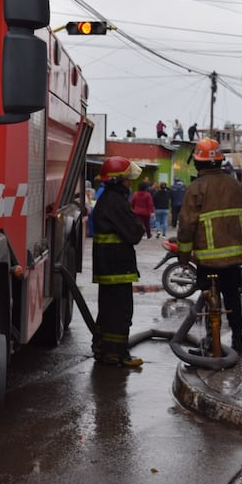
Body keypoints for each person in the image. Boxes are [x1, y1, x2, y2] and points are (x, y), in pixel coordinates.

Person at [176, 138, 242, 355]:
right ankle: (238, 344)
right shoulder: (236, 185)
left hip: (207, 261)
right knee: (232, 300)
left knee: (210, 302)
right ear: (220, 161)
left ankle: (212, 344)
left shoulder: (195, 189)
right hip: (234, 259)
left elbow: (186, 226)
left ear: (198, 163)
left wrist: (183, 257)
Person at [90, 156, 145, 367]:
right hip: (117, 267)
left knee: (109, 311)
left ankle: (105, 350)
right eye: (126, 179)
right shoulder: (116, 202)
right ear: (116, 180)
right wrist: (137, 225)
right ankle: (116, 354)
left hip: (109, 268)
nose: (129, 183)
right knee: (119, 313)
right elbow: (134, 234)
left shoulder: (108, 200)